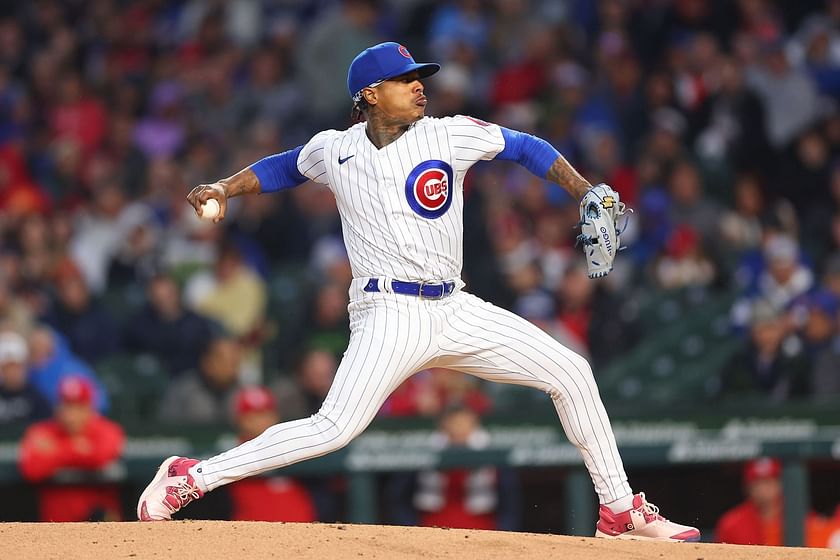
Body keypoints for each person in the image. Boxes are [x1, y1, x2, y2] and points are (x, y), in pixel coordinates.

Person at [137, 41, 700, 541]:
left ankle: (620, 511)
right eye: (407, 81)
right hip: (388, 313)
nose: (419, 87)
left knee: (572, 373)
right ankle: (194, 476)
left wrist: (582, 190)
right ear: (371, 95)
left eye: (420, 78)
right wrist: (226, 188)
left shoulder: (448, 134)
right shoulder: (336, 149)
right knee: (333, 429)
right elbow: (285, 167)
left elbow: (525, 147)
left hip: (454, 306)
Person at [386, 404, 520, 530]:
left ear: (474, 424)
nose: (459, 428)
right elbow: (399, 496)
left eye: (464, 423)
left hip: (482, 525)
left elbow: (510, 499)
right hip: (432, 525)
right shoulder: (425, 451)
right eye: (454, 423)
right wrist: (410, 526)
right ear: (444, 425)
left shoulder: (492, 452)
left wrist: (504, 530)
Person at [18, 375, 125, 521]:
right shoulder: (41, 432)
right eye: (67, 406)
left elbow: (99, 457)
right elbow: (31, 469)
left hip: (101, 526)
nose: (71, 415)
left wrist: (54, 451)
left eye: (78, 407)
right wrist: (77, 448)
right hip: (55, 527)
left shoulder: (107, 430)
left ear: (90, 407)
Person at [226, 386, 317, 522]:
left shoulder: (290, 446)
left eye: (266, 413)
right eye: (254, 415)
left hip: (303, 531)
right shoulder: (231, 452)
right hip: (252, 531)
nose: (262, 421)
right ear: (240, 420)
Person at [715, 457, 827, 547]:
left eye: (768, 481)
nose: (763, 489)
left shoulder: (804, 519)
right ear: (747, 486)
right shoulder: (731, 523)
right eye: (757, 482)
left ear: (782, 483)